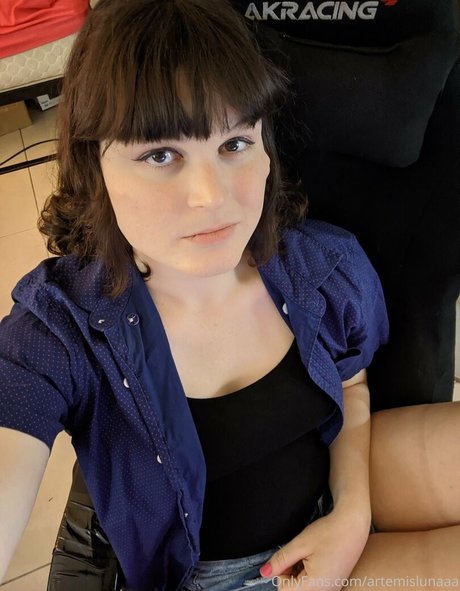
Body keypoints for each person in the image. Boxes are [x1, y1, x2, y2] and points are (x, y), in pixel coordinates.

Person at [0, 1, 459, 590]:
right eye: (160, 155)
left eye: (235, 143)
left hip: (339, 488)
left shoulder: (322, 269)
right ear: (96, 164)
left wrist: (351, 512)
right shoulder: (61, 330)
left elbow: (351, 385)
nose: (211, 195)